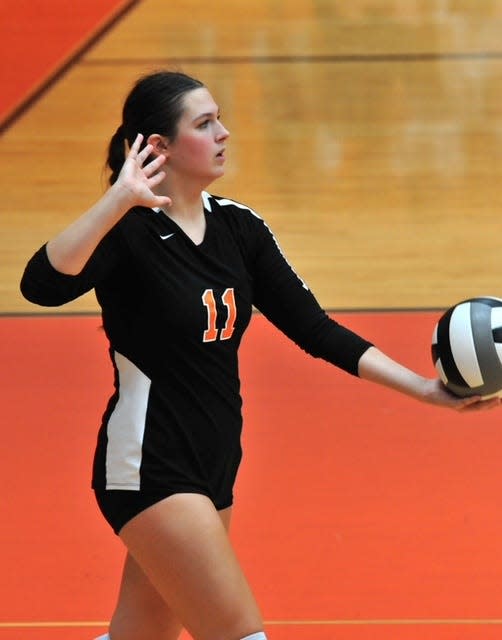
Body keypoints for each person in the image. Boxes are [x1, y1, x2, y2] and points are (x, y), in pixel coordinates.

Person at [20, 70, 499, 640]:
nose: (224, 132)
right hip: (150, 463)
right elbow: (41, 285)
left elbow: (315, 330)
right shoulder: (129, 234)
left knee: (141, 636)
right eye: (204, 124)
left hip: (215, 461)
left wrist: (424, 390)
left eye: (219, 118)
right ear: (159, 147)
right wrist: (119, 200)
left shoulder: (239, 228)